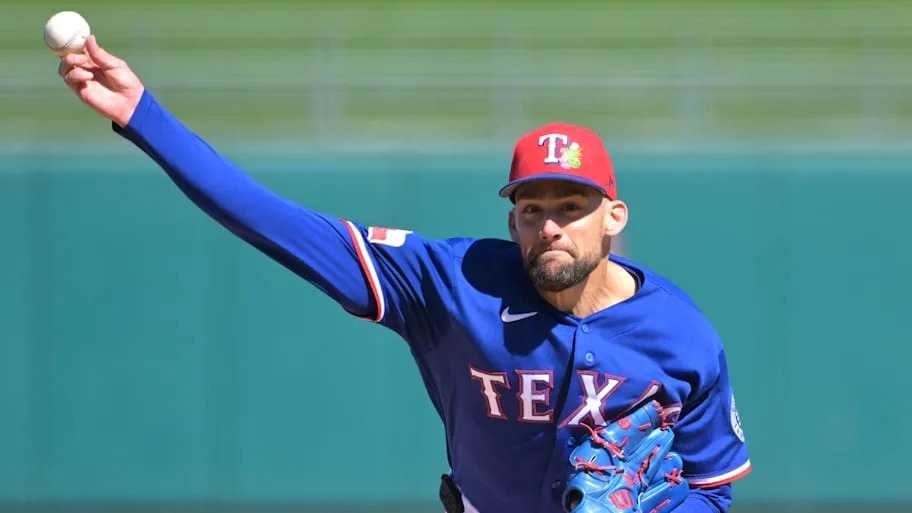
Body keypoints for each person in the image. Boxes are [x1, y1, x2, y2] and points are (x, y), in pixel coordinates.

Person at [57, 36, 751, 513]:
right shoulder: (450, 283)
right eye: (531, 206)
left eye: (572, 206)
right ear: (512, 220)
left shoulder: (681, 337)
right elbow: (273, 220)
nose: (550, 224)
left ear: (613, 216)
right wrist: (142, 115)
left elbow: (713, 489)